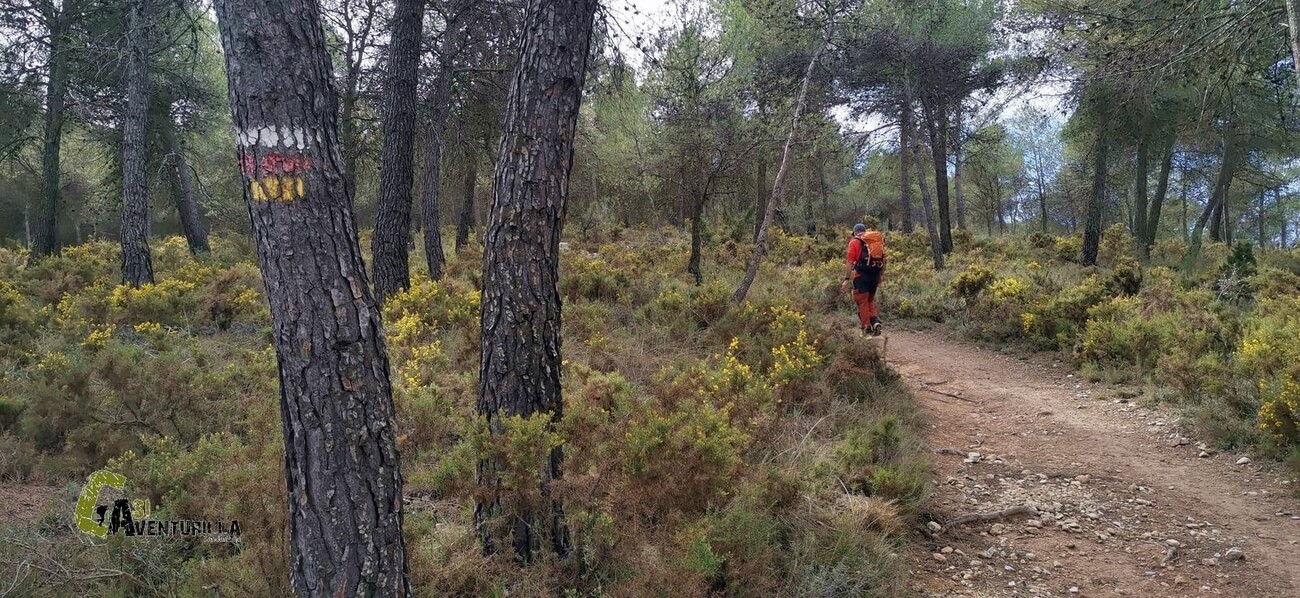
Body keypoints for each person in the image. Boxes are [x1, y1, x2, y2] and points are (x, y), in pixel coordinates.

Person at [840, 223, 885, 336]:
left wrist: (846, 279)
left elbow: (850, 262)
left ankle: (866, 329)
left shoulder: (854, 242)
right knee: (869, 301)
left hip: (861, 276)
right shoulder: (874, 241)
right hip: (875, 275)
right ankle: (875, 322)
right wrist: (880, 276)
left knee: (862, 302)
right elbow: (884, 260)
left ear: (855, 232)